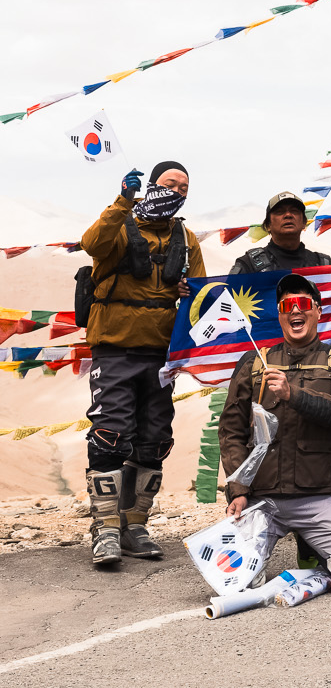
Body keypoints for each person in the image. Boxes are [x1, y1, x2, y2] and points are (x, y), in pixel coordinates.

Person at [217, 274, 331, 595]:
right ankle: (311, 560)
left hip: (314, 498)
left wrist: (294, 394)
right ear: (279, 314)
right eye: (287, 305)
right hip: (260, 499)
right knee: (232, 584)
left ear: (318, 311)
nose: (295, 311)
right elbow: (231, 429)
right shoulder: (253, 361)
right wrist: (237, 490)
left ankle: (316, 561)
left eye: (303, 304)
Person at [79, 162, 206, 566]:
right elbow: (91, 243)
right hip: (115, 349)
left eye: (184, 187)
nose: (178, 191)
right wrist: (123, 199)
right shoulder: (121, 222)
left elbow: (201, 296)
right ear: (152, 185)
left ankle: (135, 525)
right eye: (170, 183)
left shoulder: (186, 238)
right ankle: (105, 531)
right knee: (109, 436)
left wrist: (191, 291)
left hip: (161, 355)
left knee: (154, 439)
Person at [228, 192, 331, 276]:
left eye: (294, 211)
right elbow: (225, 300)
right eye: (280, 212)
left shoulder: (322, 264)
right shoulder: (248, 264)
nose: (288, 215)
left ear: (304, 223)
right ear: (268, 225)